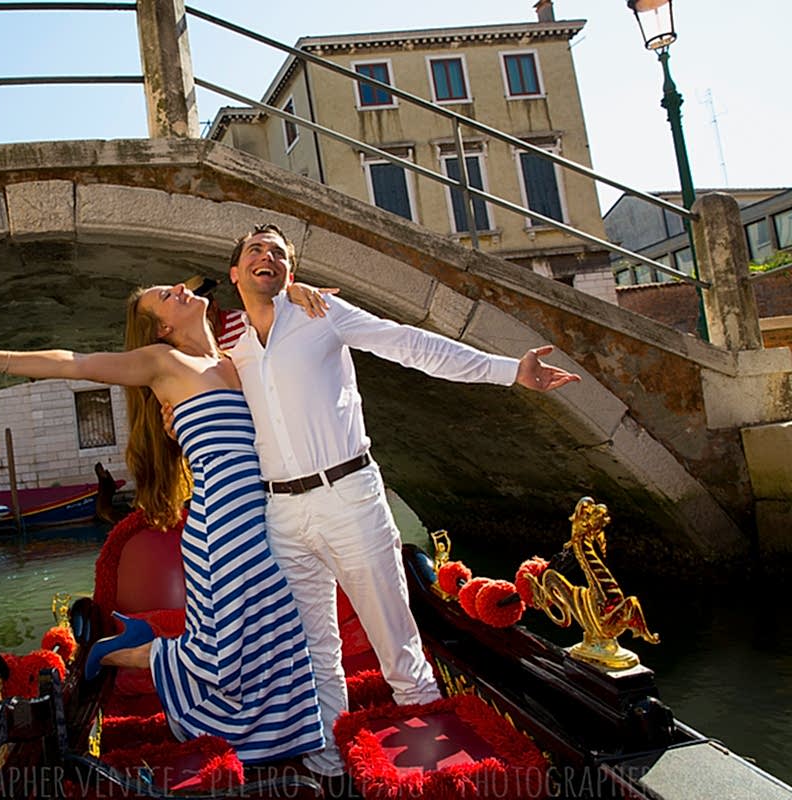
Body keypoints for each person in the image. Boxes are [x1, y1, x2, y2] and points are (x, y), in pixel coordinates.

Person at [218, 222, 582, 777]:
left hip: (349, 496)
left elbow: (411, 346)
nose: (265, 256)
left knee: (396, 641)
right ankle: (332, 766)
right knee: (314, 648)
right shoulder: (233, 343)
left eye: (278, 252)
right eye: (255, 250)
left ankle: (442, 769)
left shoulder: (322, 314)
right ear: (236, 272)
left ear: (291, 270)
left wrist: (511, 372)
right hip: (282, 514)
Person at [0, 282, 330, 765]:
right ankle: (121, 653)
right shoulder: (163, 364)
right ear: (162, 329)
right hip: (221, 526)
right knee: (225, 659)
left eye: (174, 287)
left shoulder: (239, 357)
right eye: (166, 296)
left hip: (267, 518)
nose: (181, 289)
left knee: (275, 633)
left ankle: (289, 750)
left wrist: (296, 291)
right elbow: (73, 362)